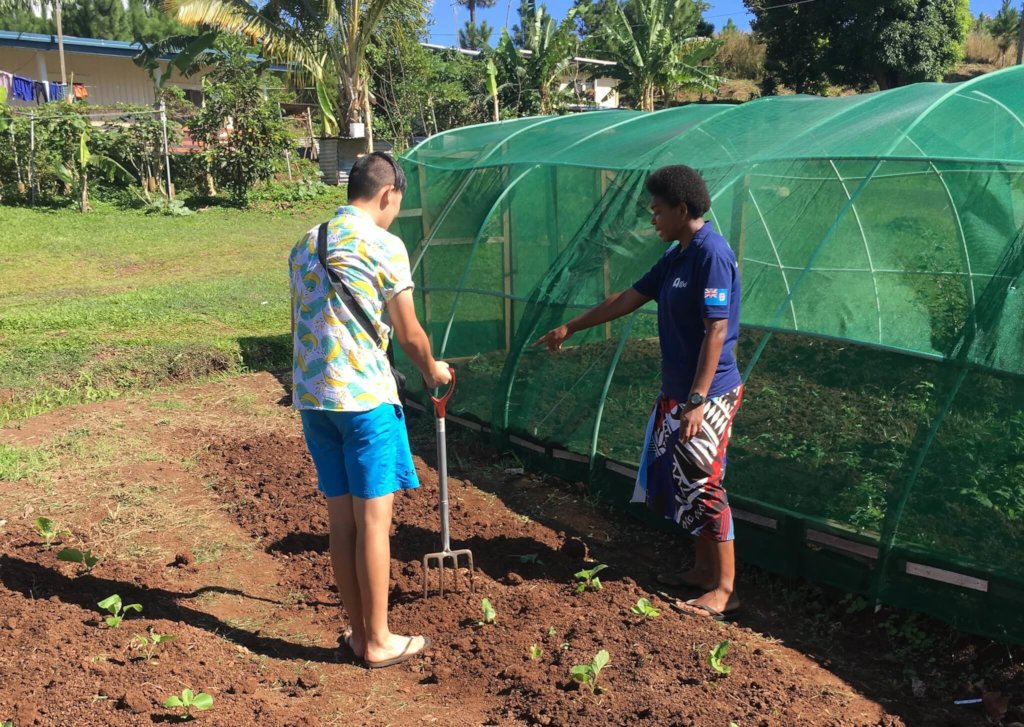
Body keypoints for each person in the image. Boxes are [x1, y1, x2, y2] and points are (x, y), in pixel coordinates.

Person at [535, 165, 743, 620]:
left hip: (709, 394)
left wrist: (697, 399)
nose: (653, 218)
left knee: (704, 481)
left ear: (681, 209)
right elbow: (629, 297)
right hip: (678, 391)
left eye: (658, 210)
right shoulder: (676, 255)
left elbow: (716, 329)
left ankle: (725, 589)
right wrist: (572, 326)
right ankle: (701, 572)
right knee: (684, 479)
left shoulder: (711, 254)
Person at [288, 152, 451, 666]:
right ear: (387, 194)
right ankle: (378, 642)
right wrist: (433, 371)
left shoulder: (305, 242)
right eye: (396, 204)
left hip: (315, 399)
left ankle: (359, 634)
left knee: (342, 524)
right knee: (375, 524)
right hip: (363, 401)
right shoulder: (384, 244)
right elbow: (409, 333)